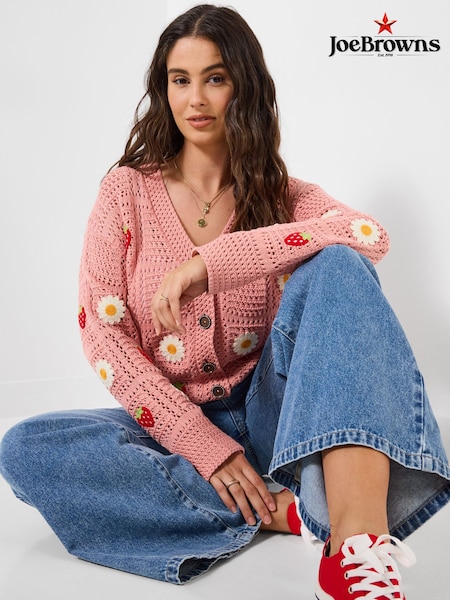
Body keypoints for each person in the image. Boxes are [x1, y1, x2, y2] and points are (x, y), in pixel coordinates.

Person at [1, 4, 449, 598]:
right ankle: (283, 510)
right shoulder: (126, 192)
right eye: (179, 79)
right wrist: (202, 444)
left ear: (244, 85)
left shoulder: (282, 195)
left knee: (340, 263)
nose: (196, 99)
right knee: (27, 448)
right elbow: (103, 338)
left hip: (277, 411)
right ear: (163, 89)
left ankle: (352, 546)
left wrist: (214, 263)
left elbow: (369, 234)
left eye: (215, 78)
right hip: (176, 421)